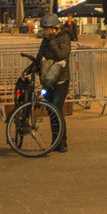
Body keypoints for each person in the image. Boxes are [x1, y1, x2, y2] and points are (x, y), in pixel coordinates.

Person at [34, 12, 71, 153]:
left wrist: (52, 41)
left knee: (57, 108)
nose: (45, 32)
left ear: (54, 28)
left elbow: (62, 55)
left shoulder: (64, 38)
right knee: (51, 110)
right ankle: (55, 141)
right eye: (44, 30)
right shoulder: (45, 40)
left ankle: (62, 142)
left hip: (61, 80)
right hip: (48, 79)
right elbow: (40, 56)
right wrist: (30, 69)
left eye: (47, 29)